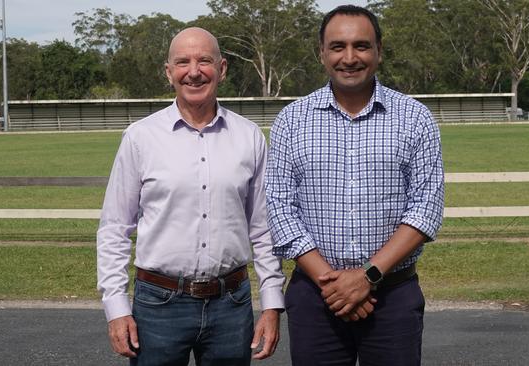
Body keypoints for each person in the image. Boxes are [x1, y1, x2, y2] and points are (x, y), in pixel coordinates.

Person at [265, 5, 444, 366]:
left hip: (392, 296)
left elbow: (426, 208)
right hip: (316, 298)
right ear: (322, 53)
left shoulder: (415, 118)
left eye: (361, 46)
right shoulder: (291, 120)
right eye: (337, 47)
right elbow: (280, 208)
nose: (349, 58)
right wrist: (334, 285)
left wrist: (368, 276)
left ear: (378, 50)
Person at [97, 27, 285, 366]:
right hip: (158, 306)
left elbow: (263, 228)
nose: (194, 71)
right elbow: (115, 227)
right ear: (169, 72)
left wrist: (272, 303)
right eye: (182, 62)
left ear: (223, 69)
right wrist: (116, 307)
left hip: (231, 305)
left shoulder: (249, 137)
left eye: (205, 61)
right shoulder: (140, 138)